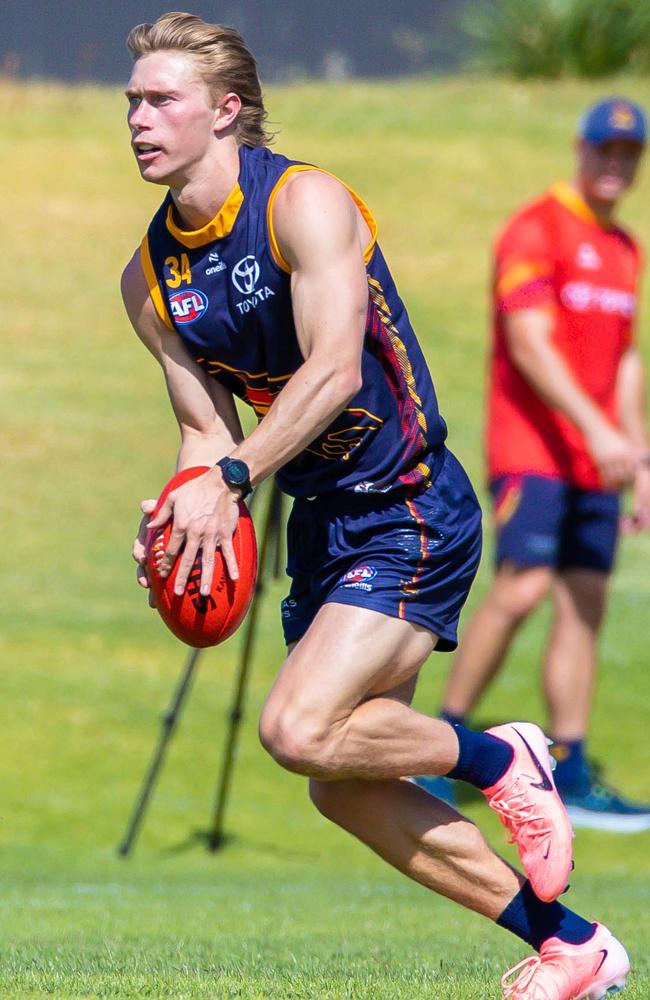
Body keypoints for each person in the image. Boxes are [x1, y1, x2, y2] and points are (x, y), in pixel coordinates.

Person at [122, 14, 630, 997]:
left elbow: (332, 370)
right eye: (133, 101)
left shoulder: (302, 204)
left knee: (294, 729)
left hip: (407, 506)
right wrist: (176, 524)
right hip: (321, 529)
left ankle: (497, 752)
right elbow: (203, 430)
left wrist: (230, 484)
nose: (138, 118)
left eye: (161, 99)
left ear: (226, 111)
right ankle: (571, 946)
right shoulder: (149, 279)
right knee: (338, 786)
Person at [422, 97, 650, 834]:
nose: (615, 166)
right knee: (521, 591)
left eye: (629, 155)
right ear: (581, 149)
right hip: (534, 451)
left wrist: (635, 453)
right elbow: (529, 343)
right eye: (605, 151)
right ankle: (441, 749)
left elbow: (624, 360)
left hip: (600, 462)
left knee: (586, 602)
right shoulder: (537, 228)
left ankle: (572, 766)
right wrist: (595, 430)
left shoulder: (625, 249)